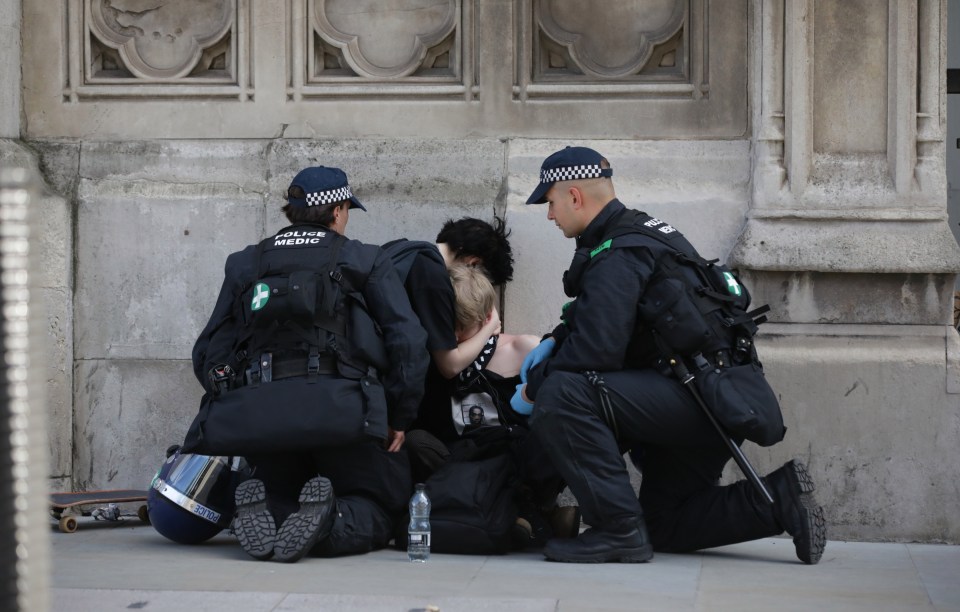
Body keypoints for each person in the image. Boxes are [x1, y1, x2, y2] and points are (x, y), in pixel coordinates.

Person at [514, 146, 827, 564]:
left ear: (574, 195)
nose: (550, 215)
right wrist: (557, 339)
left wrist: (535, 387)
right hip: (712, 400)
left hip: (693, 398)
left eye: (550, 203)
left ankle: (617, 531)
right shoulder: (647, 233)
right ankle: (777, 499)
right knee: (663, 522)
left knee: (563, 393)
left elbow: (594, 351)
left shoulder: (618, 252)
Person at [188, 166, 428, 562]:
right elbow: (409, 341)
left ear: (293, 212)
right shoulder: (364, 259)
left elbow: (209, 353)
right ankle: (330, 520)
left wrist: (237, 403)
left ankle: (274, 509)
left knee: (275, 487)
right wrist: (399, 415)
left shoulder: (245, 263)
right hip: (344, 414)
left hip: (263, 418)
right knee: (379, 504)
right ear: (337, 210)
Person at [406, 264, 577, 548]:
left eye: (464, 326)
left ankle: (525, 514)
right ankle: (532, 520)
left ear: (486, 317)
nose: (456, 335)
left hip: (514, 467)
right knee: (414, 442)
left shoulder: (523, 349)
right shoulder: (438, 358)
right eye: (448, 326)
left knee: (552, 434)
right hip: (459, 466)